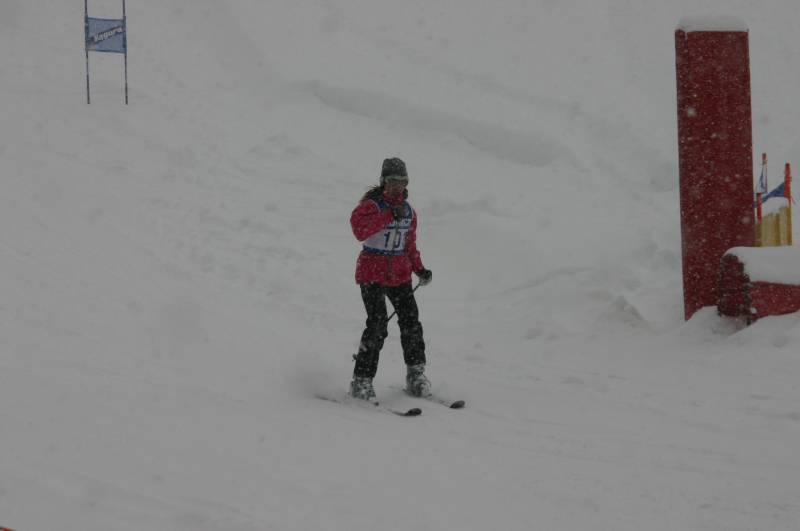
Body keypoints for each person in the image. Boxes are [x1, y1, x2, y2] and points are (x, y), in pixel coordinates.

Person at [349, 157, 433, 401]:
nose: (398, 186)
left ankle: (416, 374)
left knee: (411, 322)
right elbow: (359, 231)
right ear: (384, 181)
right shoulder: (371, 206)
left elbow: (409, 245)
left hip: (399, 274)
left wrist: (419, 269)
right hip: (371, 272)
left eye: (402, 181)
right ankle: (361, 381)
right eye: (393, 180)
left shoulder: (409, 212)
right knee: (377, 325)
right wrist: (387, 216)